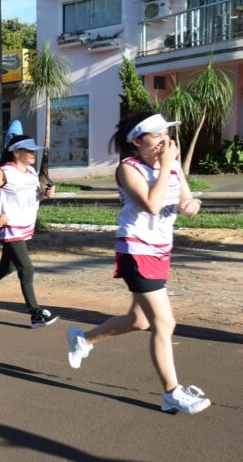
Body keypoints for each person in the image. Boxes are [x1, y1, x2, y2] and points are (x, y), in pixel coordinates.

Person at [67, 113, 210, 415]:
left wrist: (191, 205)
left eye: (165, 135)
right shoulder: (128, 169)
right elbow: (153, 205)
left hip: (161, 251)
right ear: (136, 142)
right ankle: (172, 393)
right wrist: (169, 165)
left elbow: (186, 203)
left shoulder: (169, 169)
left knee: (140, 320)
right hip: (136, 252)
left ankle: (84, 338)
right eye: (156, 136)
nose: (164, 141)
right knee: (164, 323)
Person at [0, 135, 59, 329]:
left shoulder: (31, 172)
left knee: (6, 267)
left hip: (25, 226)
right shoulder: (4, 172)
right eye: (29, 150)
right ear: (16, 152)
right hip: (10, 228)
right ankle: (35, 314)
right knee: (26, 268)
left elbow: (32, 199)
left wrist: (45, 195)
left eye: (34, 150)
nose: (34, 153)